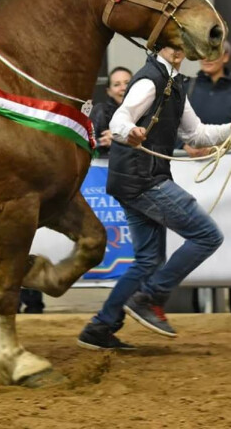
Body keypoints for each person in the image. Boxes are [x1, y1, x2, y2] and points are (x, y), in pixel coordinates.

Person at [77, 43, 231, 350]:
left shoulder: (173, 83)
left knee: (148, 259)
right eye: (173, 44)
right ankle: (150, 297)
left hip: (135, 178)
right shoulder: (151, 80)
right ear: (160, 47)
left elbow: (197, 135)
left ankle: (100, 327)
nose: (180, 49)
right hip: (143, 178)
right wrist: (128, 132)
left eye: (181, 44)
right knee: (207, 235)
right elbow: (121, 119)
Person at [182, 40, 231, 158]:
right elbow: (171, 125)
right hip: (186, 165)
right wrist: (183, 146)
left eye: (213, 53)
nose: (206, 58)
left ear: (225, 57)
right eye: (203, 53)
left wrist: (220, 148)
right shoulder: (186, 87)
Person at [90, 67, 133, 156]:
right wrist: (105, 143)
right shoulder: (100, 111)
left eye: (127, 83)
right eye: (117, 84)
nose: (123, 88)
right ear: (109, 91)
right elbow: (86, 145)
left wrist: (120, 140)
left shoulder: (148, 111)